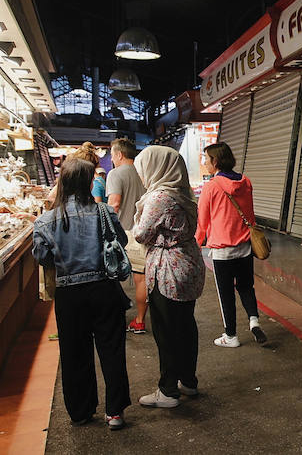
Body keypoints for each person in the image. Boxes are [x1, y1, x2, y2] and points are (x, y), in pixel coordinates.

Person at [31, 158, 131, 430]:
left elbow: (42, 257)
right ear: (89, 182)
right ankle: (115, 412)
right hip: (104, 289)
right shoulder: (104, 212)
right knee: (111, 350)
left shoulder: (46, 219)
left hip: (69, 295)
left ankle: (81, 410)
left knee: (75, 353)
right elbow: (119, 242)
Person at [133, 146, 205, 408]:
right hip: (188, 263)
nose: (142, 175)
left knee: (166, 330)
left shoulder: (159, 198)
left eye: (143, 169)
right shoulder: (182, 193)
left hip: (168, 270)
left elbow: (141, 234)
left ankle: (167, 391)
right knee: (185, 325)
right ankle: (188, 381)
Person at [195, 142, 267, 347]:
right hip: (245, 247)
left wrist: (196, 245)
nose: (204, 162)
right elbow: (250, 215)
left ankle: (231, 336)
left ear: (215, 161)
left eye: (206, 159)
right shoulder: (245, 182)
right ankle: (254, 320)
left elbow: (202, 222)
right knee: (246, 286)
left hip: (222, 251)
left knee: (226, 294)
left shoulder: (211, 187)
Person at [106, 138, 148, 333]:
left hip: (123, 234)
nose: (112, 158)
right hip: (144, 231)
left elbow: (114, 204)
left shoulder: (115, 174)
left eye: (112, 155)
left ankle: (114, 318)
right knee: (141, 279)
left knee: (111, 278)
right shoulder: (145, 172)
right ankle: (140, 320)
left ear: (119, 154)